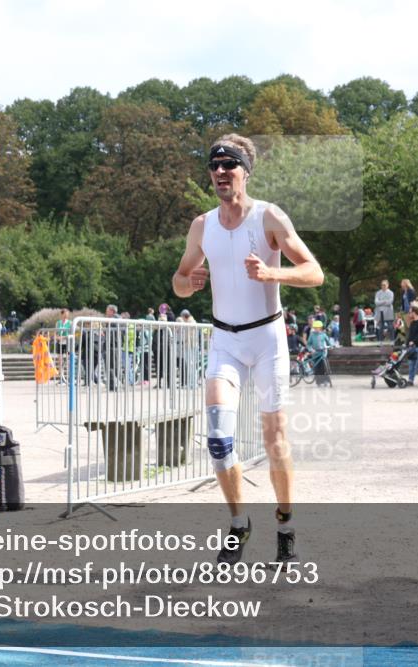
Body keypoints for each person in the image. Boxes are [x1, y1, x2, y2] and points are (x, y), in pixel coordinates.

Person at [172, 133, 323, 564]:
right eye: (214, 165)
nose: (220, 172)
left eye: (229, 164)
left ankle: (285, 523)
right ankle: (239, 523)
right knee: (219, 439)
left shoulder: (269, 217)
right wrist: (189, 283)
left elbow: (314, 272)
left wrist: (274, 276)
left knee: (276, 440)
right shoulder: (202, 226)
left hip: (267, 338)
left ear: (245, 171)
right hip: (225, 341)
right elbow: (180, 281)